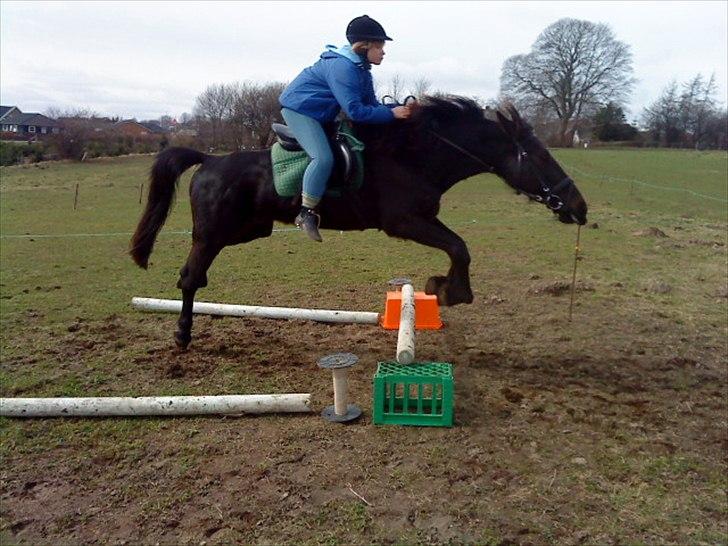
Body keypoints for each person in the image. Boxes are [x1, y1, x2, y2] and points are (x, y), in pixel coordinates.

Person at [279, 15, 411, 242]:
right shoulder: (343, 68)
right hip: (299, 110)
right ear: (365, 46)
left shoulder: (361, 69)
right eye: (379, 46)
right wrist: (391, 114)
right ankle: (306, 212)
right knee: (323, 159)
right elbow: (355, 112)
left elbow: (371, 106)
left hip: (319, 113)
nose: (383, 52)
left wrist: (401, 109)